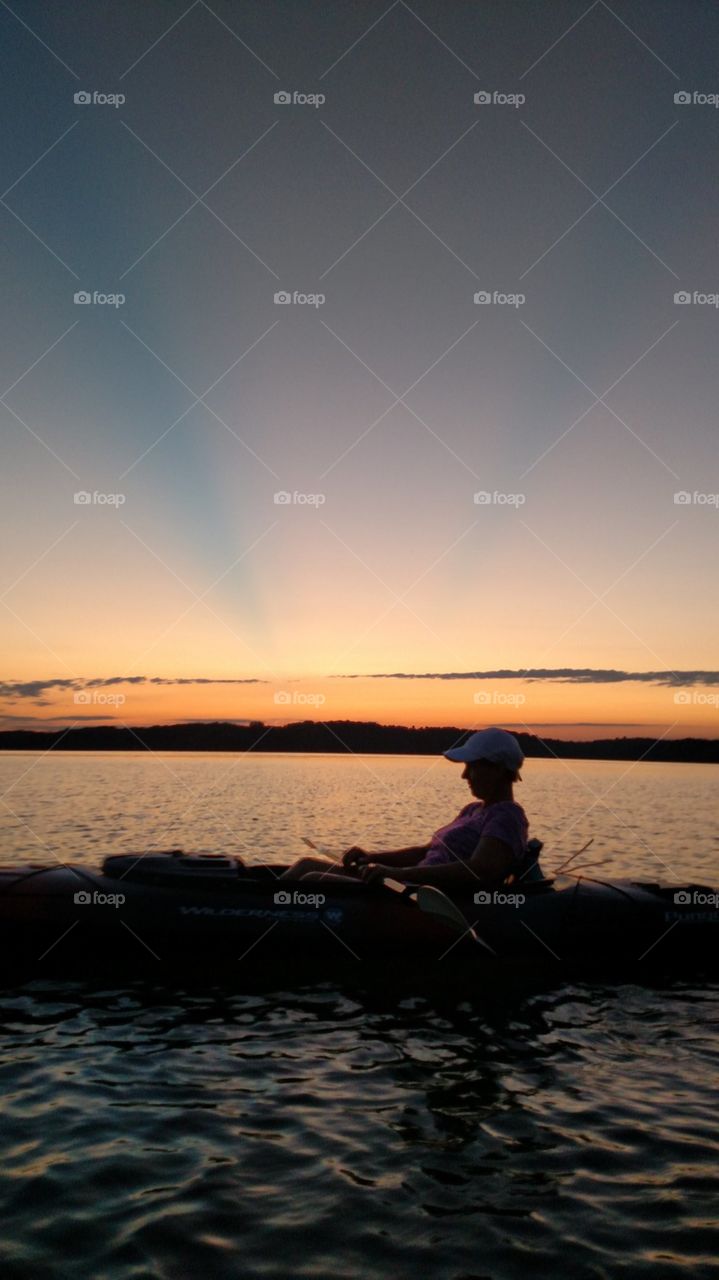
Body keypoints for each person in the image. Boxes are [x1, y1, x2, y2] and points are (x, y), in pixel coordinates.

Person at [281, 727, 531, 891]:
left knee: (313, 881)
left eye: (472, 767)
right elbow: (426, 851)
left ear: (498, 769)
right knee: (305, 866)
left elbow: (480, 870)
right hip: (403, 882)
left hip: (415, 895)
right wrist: (374, 858)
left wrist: (398, 874)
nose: (464, 775)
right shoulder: (472, 810)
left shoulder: (507, 816)